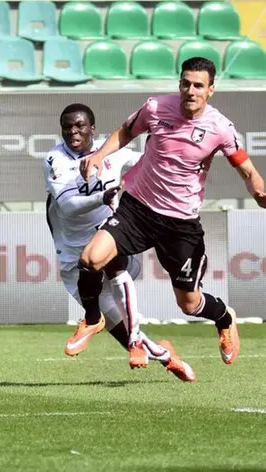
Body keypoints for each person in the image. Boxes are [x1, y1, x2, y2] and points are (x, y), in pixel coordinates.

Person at [77, 57, 266, 366]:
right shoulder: (155, 108)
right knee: (90, 258)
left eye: (198, 86)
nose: (190, 91)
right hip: (137, 209)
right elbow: (125, 131)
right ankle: (92, 318)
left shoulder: (220, 128)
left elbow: (247, 170)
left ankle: (224, 317)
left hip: (181, 225)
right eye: (186, 84)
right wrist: (99, 154)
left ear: (211, 90)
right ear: (179, 84)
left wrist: (259, 190)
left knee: (189, 304)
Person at [44, 104, 195, 381]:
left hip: (107, 237)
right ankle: (164, 355)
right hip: (73, 257)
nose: (73, 131)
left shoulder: (111, 151)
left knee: (113, 260)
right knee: (118, 328)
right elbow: (67, 207)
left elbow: (151, 162)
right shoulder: (55, 159)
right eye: (68, 126)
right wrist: (103, 197)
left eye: (80, 126)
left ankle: (117, 331)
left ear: (93, 129)